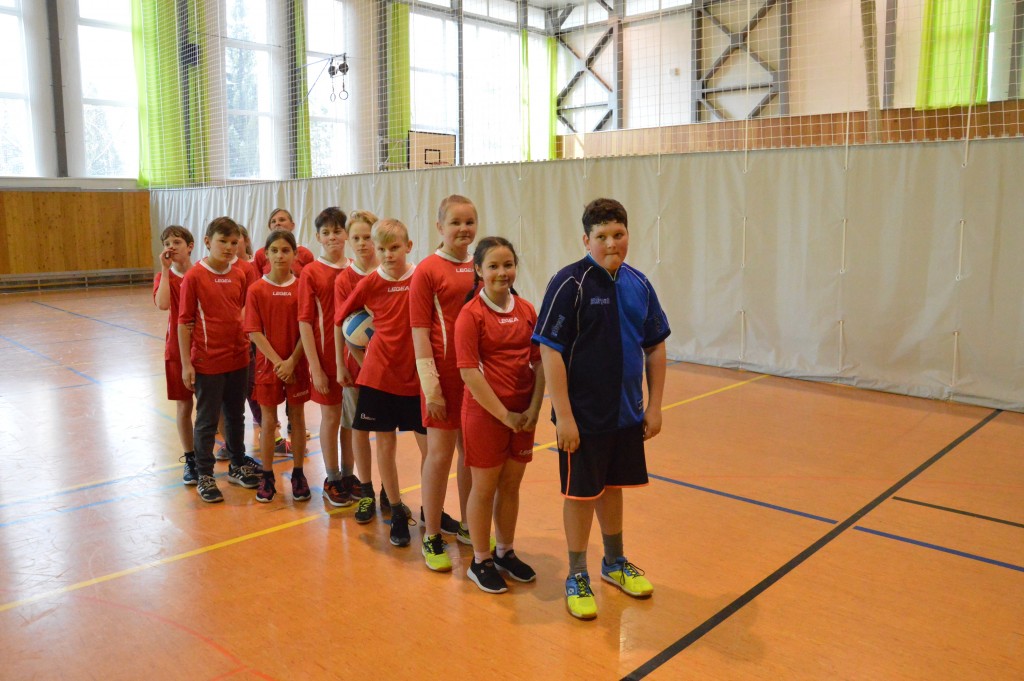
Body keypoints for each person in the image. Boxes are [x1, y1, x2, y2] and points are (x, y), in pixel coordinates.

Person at [533, 198, 670, 620]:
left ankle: (614, 562)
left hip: (626, 414)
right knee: (580, 494)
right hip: (582, 418)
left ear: (628, 234)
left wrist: (655, 406)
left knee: (613, 487)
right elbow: (550, 351)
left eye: (618, 234)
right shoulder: (569, 283)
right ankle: (577, 574)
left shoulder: (639, 283)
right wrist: (565, 416)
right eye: (602, 236)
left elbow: (655, 346)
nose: (612, 243)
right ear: (586, 240)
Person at [455, 237, 545, 593]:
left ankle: (505, 551)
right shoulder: (470, 315)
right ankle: (480, 560)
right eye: (493, 266)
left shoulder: (527, 310)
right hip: (486, 416)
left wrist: (534, 408)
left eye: (508, 265)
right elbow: (469, 373)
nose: (502, 272)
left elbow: (539, 363)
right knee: (484, 487)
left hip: (523, 416)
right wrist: (505, 415)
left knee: (511, 485)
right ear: (478, 270)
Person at [335, 218, 427, 547]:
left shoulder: (421, 277)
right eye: (383, 248)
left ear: (409, 246)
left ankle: (432, 508)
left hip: (416, 375)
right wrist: (355, 357)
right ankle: (397, 509)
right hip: (380, 376)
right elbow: (342, 319)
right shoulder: (370, 282)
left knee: (430, 448)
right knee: (385, 445)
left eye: (395, 247)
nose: (388, 254)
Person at [409, 194, 477, 571]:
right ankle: (432, 533)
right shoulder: (427, 270)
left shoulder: (481, 265)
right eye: (455, 222)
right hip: (442, 380)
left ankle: (469, 525)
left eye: (469, 222)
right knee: (439, 455)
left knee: (472, 453)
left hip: (475, 378)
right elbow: (419, 332)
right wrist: (431, 388)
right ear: (439, 227)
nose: (463, 229)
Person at [178, 217, 262, 503]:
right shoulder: (194, 276)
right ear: (207, 242)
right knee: (207, 420)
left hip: (239, 359)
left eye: (233, 242)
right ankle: (205, 474)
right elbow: (184, 322)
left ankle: (237, 465)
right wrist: (187, 364)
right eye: (222, 241)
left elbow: (244, 312)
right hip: (208, 361)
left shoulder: (240, 273)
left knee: (236, 416)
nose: (228, 247)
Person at [298, 207, 361, 506]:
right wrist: (316, 367)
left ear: (346, 234)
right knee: (331, 417)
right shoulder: (311, 272)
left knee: (351, 420)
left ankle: (349, 475)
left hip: (354, 359)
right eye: (326, 232)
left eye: (337, 231)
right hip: (325, 359)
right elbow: (304, 322)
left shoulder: (355, 269)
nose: (333, 236)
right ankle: (332, 478)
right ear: (318, 237)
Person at [244, 230, 310, 503]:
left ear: (295, 254)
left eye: (285, 250)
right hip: (268, 366)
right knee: (268, 421)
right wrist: (278, 363)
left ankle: (298, 473)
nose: (280, 255)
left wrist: (292, 361)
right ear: (266, 254)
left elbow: (307, 329)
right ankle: (267, 475)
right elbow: (254, 332)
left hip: (297, 363)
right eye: (275, 250)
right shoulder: (256, 289)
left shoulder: (302, 287)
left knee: (298, 418)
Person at [333, 210, 380, 521]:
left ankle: (390, 492)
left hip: (389, 369)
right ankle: (366, 490)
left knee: (387, 434)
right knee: (359, 429)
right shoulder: (344, 279)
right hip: (357, 368)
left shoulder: (389, 272)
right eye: (356, 238)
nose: (362, 243)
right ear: (348, 241)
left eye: (367, 237)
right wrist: (341, 364)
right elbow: (341, 324)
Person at [154, 225, 196, 485]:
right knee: (184, 405)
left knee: (213, 407)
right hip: (176, 350)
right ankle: (190, 458)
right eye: (167, 243)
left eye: (177, 242)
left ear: (190, 246)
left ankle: (224, 453)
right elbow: (162, 304)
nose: (171, 247)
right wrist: (166, 270)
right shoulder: (164, 277)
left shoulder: (201, 273)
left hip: (204, 347)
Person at [252, 208, 315, 277]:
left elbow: (310, 281)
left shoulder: (306, 254)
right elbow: (256, 280)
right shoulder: (260, 254)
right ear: (270, 227)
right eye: (273, 221)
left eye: (282, 220)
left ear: (292, 225)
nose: (277, 223)